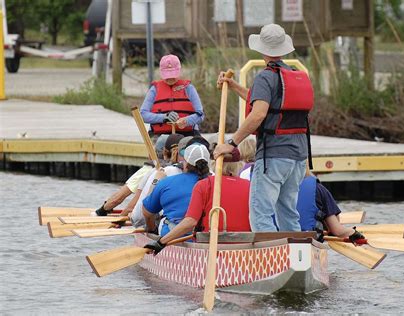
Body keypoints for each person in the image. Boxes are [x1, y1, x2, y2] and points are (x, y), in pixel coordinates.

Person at [213, 24, 314, 232]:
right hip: (298, 158)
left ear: (262, 50)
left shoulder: (265, 77)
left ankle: (269, 260)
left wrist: (231, 144)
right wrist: (233, 86)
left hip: (273, 157)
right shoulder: (293, 74)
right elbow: (262, 100)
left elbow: (258, 113)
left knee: (260, 212)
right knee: (288, 212)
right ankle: (295, 257)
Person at [144, 160, 251, 255]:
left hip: (208, 247)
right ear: (240, 165)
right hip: (244, 248)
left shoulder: (203, 185)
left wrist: (160, 242)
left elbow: (190, 222)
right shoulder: (250, 186)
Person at [142, 144, 210, 235]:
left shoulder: (167, 182)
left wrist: (152, 230)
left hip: (172, 238)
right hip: (207, 238)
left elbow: (147, 213)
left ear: (185, 162)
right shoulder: (217, 185)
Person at [94, 135, 170, 216]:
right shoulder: (174, 168)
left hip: (148, 218)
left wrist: (102, 210)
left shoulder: (148, 170)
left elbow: (118, 198)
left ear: (154, 151)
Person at [121, 134, 185, 225]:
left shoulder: (157, 173)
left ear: (164, 152)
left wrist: (121, 220)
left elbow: (139, 215)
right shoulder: (208, 175)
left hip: (164, 227)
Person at [140, 54, 204, 137]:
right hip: (160, 136)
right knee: (161, 142)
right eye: (167, 75)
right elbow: (143, 115)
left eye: (173, 74)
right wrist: (164, 117)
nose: (170, 78)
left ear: (179, 70)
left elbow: (200, 115)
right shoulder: (154, 90)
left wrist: (186, 121)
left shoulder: (189, 88)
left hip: (187, 135)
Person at [297, 167, 365, 244]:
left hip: (282, 240)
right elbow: (338, 231)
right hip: (308, 241)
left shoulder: (282, 189)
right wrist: (353, 233)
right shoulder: (318, 188)